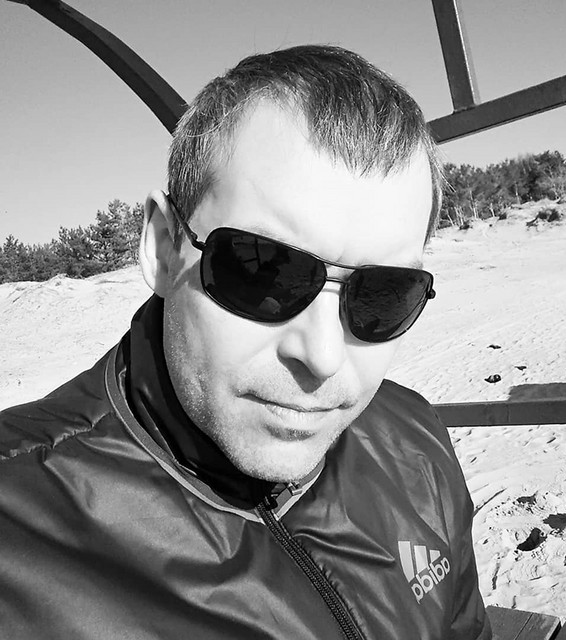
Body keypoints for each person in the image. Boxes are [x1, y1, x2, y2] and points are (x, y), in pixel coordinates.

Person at [0, 45, 491, 639]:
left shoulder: (415, 440)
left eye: (383, 294)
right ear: (163, 248)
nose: (323, 357)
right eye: (263, 272)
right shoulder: (18, 525)